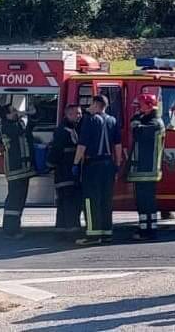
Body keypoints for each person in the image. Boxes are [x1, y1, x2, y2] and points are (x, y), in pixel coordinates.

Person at [74, 95, 123, 245]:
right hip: (108, 164)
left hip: (92, 165)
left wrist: (76, 163)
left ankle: (93, 235)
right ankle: (107, 233)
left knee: (90, 200)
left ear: (95, 104)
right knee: (106, 199)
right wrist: (117, 164)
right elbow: (118, 146)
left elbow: (82, 145)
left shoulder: (90, 120)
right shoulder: (113, 121)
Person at [128, 94, 165, 240]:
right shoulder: (149, 120)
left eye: (141, 105)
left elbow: (137, 131)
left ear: (149, 106)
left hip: (148, 169)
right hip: (143, 169)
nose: (138, 108)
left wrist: (136, 119)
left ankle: (148, 231)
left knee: (146, 202)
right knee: (142, 201)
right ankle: (144, 227)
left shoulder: (155, 123)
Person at [0, 104, 35, 239]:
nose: (16, 113)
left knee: (20, 200)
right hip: (15, 170)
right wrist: (23, 114)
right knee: (14, 200)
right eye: (13, 111)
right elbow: (18, 130)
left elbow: (29, 128)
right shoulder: (7, 126)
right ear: (6, 115)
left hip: (24, 169)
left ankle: (16, 227)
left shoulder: (17, 124)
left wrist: (32, 114)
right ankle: (10, 230)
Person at [48, 104, 84, 239]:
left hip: (70, 172)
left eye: (80, 113)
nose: (79, 116)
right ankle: (72, 231)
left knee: (64, 202)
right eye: (77, 113)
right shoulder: (62, 131)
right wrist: (50, 165)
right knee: (70, 202)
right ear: (68, 115)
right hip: (64, 172)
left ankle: (61, 231)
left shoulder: (73, 129)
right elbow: (55, 151)